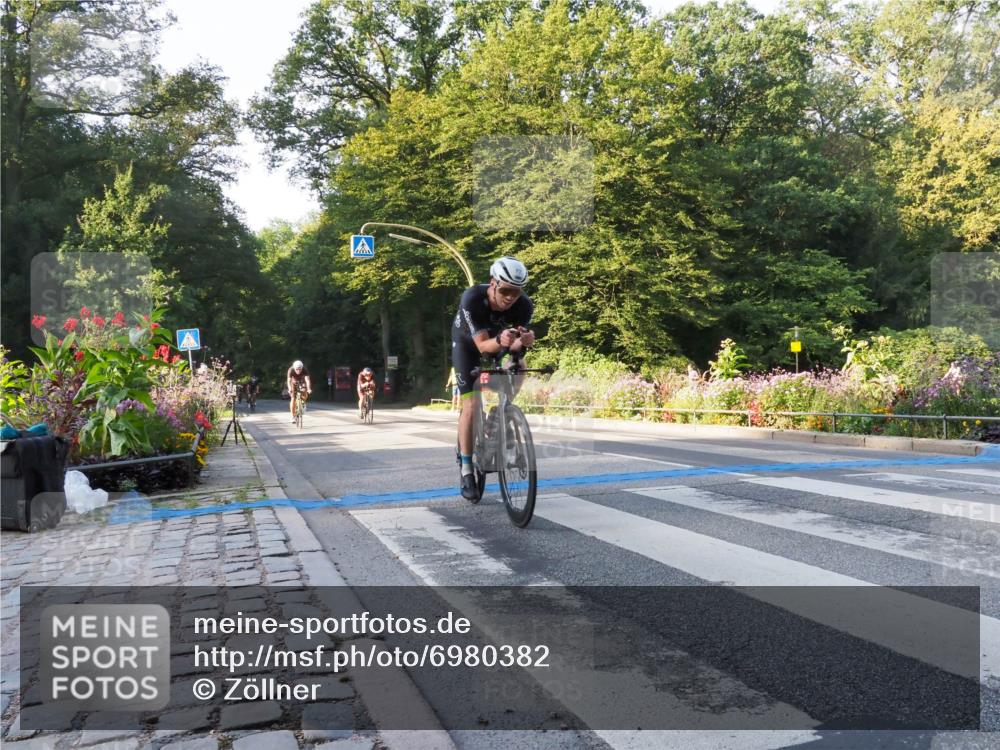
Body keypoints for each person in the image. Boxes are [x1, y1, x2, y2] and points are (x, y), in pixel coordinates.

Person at [452, 256, 536, 501]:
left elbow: (515, 348)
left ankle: (501, 411)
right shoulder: (472, 299)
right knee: (471, 405)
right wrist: (501, 340)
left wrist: (523, 342)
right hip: (468, 346)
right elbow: (482, 346)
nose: (510, 297)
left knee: (520, 365)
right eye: (506, 290)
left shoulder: (524, 306)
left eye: (516, 292)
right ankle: (467, 469)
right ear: (493, 283)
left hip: (499, 343)